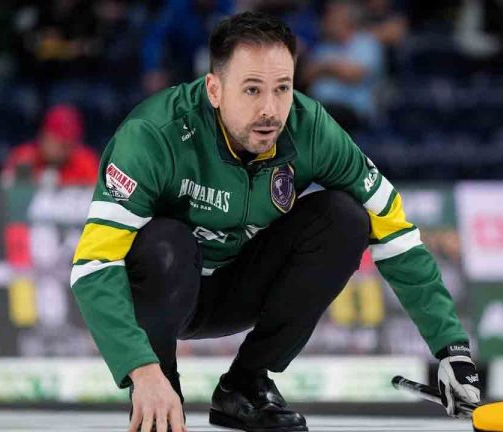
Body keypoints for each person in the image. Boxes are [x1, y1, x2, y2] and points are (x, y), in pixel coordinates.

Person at [71, 12, 479, 432]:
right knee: (165, 242)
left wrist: (452, 349)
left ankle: (245, 387)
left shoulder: (311, 130)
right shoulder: (153, 134)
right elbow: (94, 267)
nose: (270, 109)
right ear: (214, 89)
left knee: (346, 218)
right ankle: (160, 397)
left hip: (237, 287)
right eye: (252, 89)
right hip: (166, 286)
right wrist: (141, 371)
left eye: (282, 88)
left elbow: (394, 231)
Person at [301, 0, 384, 131]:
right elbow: (306, 76)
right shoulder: (325, 46)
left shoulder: (366, 43)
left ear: (347, 22)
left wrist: (325, 67)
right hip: (320, 106)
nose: (327, 22)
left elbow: (355, 75)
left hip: (352, 110)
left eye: (333, 18)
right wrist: (337, 68)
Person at [1, 104, 99, 186]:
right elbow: (8, 194)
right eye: (59, 142)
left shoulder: (85, 162)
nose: (64, 149)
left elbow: (99, 198)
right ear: (44, 137)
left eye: (69, 143)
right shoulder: (25, 157)